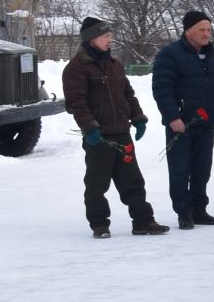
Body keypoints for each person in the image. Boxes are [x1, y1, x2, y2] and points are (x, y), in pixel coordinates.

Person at [64, 16, 167, 237]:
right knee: (97, 183)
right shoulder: (76, 68)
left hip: (122, 133)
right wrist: (90, 128)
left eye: (110, 35)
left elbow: (127, 94)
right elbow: (76, 103)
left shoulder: (114, 65)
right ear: (91, 39)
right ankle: (99, 224)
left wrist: (138, 118)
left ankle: (143, 221)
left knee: (133, 181)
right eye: (105, 36)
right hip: (99, 137)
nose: (110, 40)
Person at [150, 9, 214, 229]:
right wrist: (172, 116)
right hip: (181, 124)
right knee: (179, 170)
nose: (207, 34)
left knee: (202, 169)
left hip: (206, 123)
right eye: (202, 30)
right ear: (188, 32)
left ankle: (199, 209)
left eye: (208, 30)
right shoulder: (170, 54)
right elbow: (162, 88)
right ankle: (183, 212)